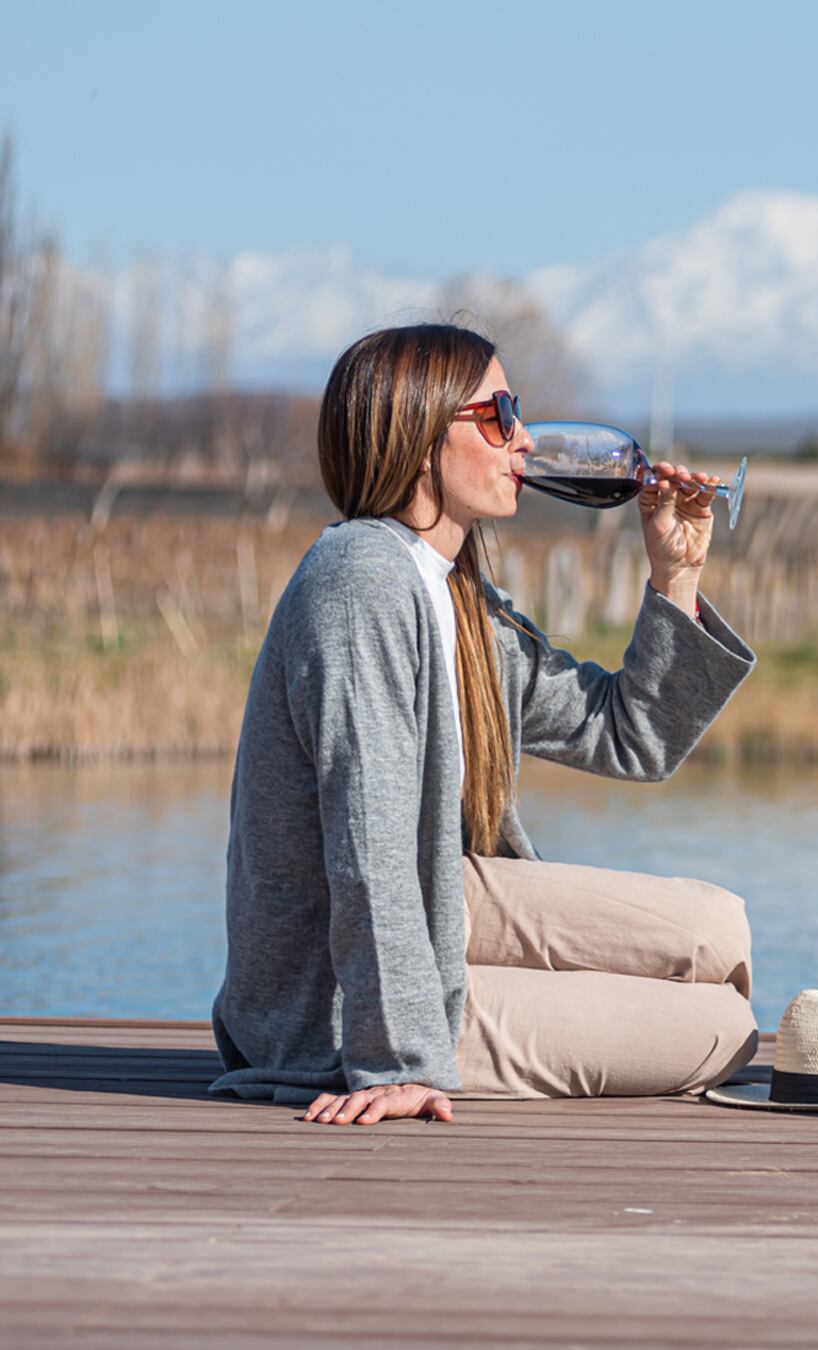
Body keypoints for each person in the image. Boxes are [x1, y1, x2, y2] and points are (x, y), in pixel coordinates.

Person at [209, 323, 758, 1127]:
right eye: (498, 414)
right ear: (421, 434)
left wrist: (676, 574)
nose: (524, 438)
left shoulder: (460, 599)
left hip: (449, 907)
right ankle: (415, 1042)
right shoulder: (359, 582)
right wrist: (399, 1063)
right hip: (338, 1008)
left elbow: (628, 737)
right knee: (720, 1029)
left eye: (519, 411)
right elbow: (371, 839)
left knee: (719, 927)